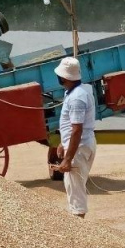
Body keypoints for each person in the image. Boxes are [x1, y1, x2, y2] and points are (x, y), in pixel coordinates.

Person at [53, 56, 96, 218]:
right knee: (75, 187)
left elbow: (77, 130)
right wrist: (63, 143)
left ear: (64, 77)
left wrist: (67, 159)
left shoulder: (77, 98)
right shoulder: (80, 90)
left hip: (79, 148)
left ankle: (79, 232)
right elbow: (71, 126)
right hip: (82, 143)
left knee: (75, 191)